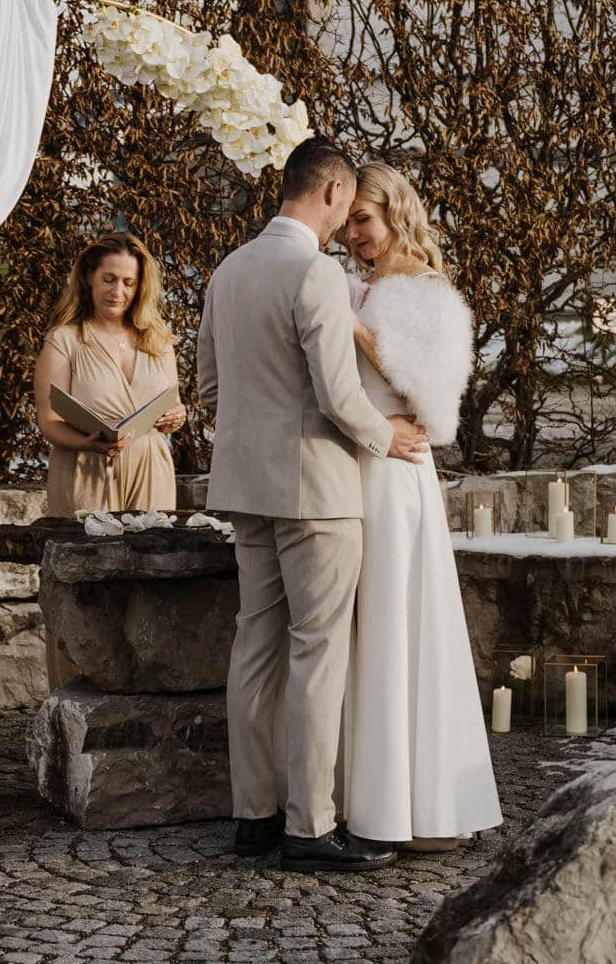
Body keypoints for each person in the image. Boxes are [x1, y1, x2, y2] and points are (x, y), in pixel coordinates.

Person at [197, 137, 430, 873]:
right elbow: (337, 395)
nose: (344, 226)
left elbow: (209, 388)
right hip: (318, 492)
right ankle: (308, 825)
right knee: (317, 652)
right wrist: (383, 435)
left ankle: (251, 817)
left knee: (254, 647)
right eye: (346, 206)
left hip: (244, 487)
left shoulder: (228, 270)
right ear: (332, 191)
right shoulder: (316, 275)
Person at [338, 162, 502, 849]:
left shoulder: (429, 291)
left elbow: (433, 404)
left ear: (395, 212)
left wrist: (351, 328)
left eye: (364, 222)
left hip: (399, 468)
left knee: (399, 619)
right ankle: (366, 797)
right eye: (346, 222)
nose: (354, 236)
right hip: (350, 462)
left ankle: (420, 806)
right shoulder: (353, 284)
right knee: (359, 628)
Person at [34, 233, 188, 517]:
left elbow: (172, 405)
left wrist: (177, 416)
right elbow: (49, 419)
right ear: (89, 276)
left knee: (152, 556)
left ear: (141, 286)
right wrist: (86, 443)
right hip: (86, 467)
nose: (118, 292)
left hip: (151, 467)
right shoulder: (64, 340)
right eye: (109, 279)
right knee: (87, 557)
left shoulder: (158, 339)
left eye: (128, 283)